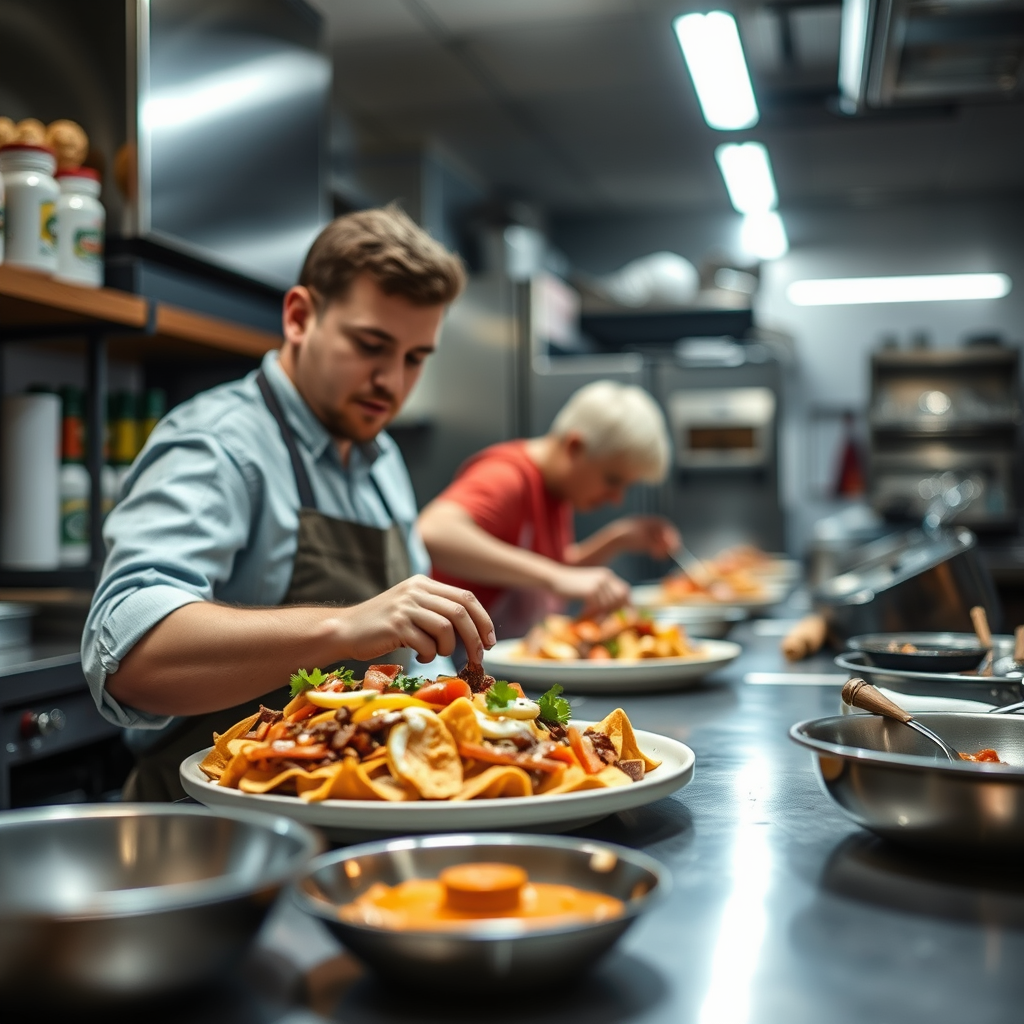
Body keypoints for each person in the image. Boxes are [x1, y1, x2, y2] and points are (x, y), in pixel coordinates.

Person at [81, 205, 495, 799]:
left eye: (414, 358)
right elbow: (129, 660)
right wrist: (342, 626)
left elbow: (414, 660)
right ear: (300, 317)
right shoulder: (219, 443)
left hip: (357, 810)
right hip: (214, 826)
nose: (392, 382)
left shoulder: (380, 459)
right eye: (370, 345)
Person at [417, 381, 680, 638]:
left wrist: (617, 538)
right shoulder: (507, 476)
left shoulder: (558, 490)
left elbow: (549, 570)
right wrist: (557, 576)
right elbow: (433, 532)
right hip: (449, 662)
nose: (616, 499)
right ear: (575, 447)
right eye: (613, 480)